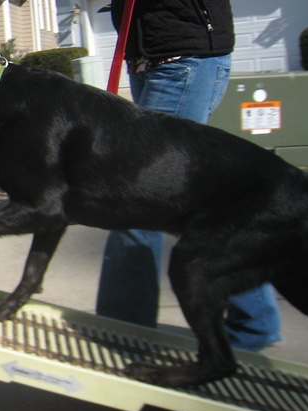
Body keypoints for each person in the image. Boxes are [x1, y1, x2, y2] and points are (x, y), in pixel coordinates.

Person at [96, 0, 282, 352]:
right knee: (199, 201)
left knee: (136, 198)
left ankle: (122, 333)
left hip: (183, 62)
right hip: (150, 60)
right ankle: (255, 321)